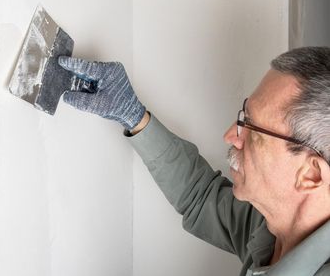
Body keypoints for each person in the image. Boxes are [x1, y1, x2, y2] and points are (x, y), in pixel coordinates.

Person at [58, 47, 330, 276]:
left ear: (311, 175)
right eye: (242, 118)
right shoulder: (273, 228)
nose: (230, 136)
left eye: (253, 128)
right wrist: (132, 113)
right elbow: (201, 196)